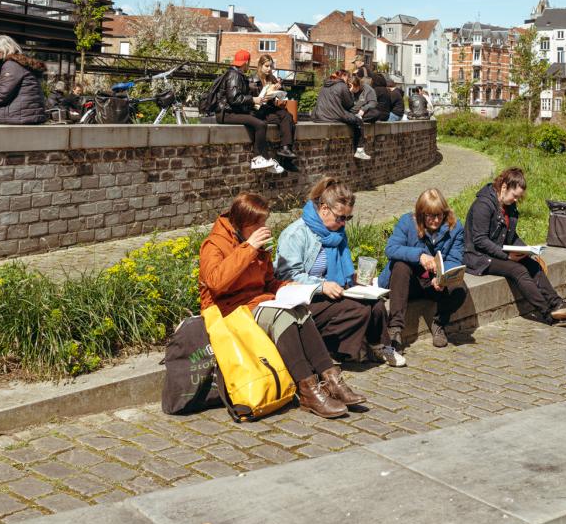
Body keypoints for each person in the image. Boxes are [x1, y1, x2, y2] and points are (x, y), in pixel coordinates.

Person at [199, 192, 354, 418]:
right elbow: (215, 283)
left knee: (300, 311)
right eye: (258, 223)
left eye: (264, 222)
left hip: (256, 302)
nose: (264, 228)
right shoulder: (214, 244)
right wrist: (249, 248)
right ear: (243, 223)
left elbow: (267, 281)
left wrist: (288, 286)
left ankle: (331, 378)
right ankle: (308, 390)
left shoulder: (254, 242)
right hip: (229, 311)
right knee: (282, 317)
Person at [275, 177, 405, 367]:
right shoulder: (296, 234)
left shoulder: (336, 234)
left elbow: (341, 270)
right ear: (324, 209)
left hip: (332, 291)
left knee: (376, 304)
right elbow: (288, 275)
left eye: (348, 218)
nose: (344, 223)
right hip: (305, 298)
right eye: (341, 217)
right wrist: (321, 286)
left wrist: (355, 279)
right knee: (359, 310)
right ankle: (326, 351)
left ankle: (378, 347)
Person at [464, 167, 566, 323]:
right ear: (504, 187)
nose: (516, 200)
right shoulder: (483, 205)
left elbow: (511, 235)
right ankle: (548, 314)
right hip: (478, 256)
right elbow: (480, 240)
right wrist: (507, 256)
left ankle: (557, 303)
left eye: (518, 197)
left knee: (533, 265)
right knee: (518, 270)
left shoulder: (509, 206)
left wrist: (528, 251)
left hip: (497, 251)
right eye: (514, 196)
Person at [379, 188, 468, 350]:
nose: (435, 220)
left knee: (460, 288)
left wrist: (442, 277)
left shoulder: (455, 227)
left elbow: (454, 259)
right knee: (400, 266)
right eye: (430, 216)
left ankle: (439, 323)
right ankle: (395, 328)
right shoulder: (407, 222)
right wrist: (419, 256)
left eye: (439, 215)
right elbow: (391, 249)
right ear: (421, 214)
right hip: (409, 281)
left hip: (433, 282)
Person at [218, 49, 283, 173]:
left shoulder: (237, 74)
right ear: (246, 62)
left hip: (232, 112)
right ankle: (257, 158)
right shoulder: (234, 75)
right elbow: (234, 98)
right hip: (227, 113)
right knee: (260, 124)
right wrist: (253, 99)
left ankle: (266, 159)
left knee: (260, 122)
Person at [0, 35, 47, 125]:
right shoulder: (17, 63)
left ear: (4, 50)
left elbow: (1, 96)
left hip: (19, 114)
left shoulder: (11, 65)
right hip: (25, 114)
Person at [313, 71, 370, 161]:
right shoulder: (342, 86)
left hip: (319, 116)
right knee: (358, 121)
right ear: (343, 76)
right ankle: (359, 150)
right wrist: (350, 91)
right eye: (347, 77)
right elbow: (349, 104)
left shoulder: (325, 85)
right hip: (333, 116)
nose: (348, 80)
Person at [251, 53, 296, 163]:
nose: (269, 69)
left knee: (288, 116)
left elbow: (282, 94)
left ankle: (285, 148)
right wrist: (262, 96)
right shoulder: (253, 79)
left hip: (270, 107)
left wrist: (279, 87)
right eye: (266, 66)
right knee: (286, 121)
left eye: (270, 66)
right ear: (260, 65)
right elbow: (251, 97)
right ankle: (286, 159)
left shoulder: (271, 77)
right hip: (259, 110)